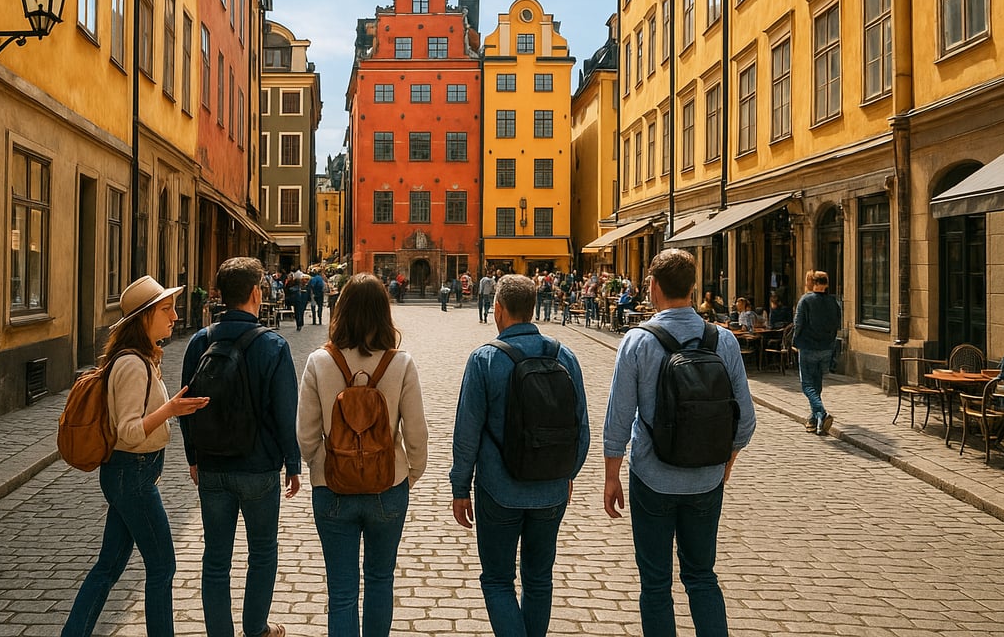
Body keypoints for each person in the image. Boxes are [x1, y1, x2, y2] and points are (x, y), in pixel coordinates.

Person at [602, 249, 756, 637]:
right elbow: (747, 420)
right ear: (693, 288)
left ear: (652, 286)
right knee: (702, 575)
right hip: (706, 479)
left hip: (652, 477)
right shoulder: (722, 340)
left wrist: (611, 476)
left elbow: (619, 418)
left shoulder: (637, 341)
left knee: (655, 584)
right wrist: (725, 462)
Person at [62, 276, 211, 637]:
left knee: (108, 567)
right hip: (134, 476)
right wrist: (171, 409)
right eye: (166, 310)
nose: (175, 316)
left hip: (131, 475)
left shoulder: (142, 359)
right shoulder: (132, 365)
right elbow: (128, 431)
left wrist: (171, 408)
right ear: (143, 318)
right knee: (162, 566)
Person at [450, 274, 590, 637]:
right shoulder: (565, 356)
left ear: (498, 310)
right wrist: (567, 473)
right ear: (532, 309)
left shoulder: (485, 360)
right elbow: (582, 428)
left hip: (499, 489)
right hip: (551, 489)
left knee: (497, 579)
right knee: (539, 579)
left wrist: (460, 487)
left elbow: (467, 432)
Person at [297, 273, 429, 637]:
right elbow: (417, 432)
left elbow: (306, 434)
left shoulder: (319, 361)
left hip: (332, 487)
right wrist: (408, 474)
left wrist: (320, 467)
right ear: (384, 313)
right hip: (388, 485)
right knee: (380, 579)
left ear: (341, 311)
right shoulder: (400, 363)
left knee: (341, 592)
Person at [180, 258, 301, 637]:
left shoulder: (200, 341)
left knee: (216, 558)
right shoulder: (272, 345)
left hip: (213, 465)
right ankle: (256, 628)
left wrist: (193, 456)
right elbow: (286, 412)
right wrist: (293, 463)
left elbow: (185, 405)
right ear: (255, 293)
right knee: (262, 552)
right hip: (259, 467)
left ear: (220, 294)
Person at [793, 270, 841, 435]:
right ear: (826, 285)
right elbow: (837, 324)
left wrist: (794, 341)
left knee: (807, 385)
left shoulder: (805, 300)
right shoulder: (832, 301)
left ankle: (822, 412)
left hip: (808, 346)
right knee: (817, 383)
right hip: (826, 348)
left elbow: (798, 323)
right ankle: (815, 422)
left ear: (813, 283)